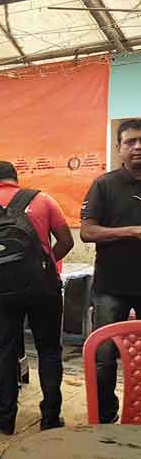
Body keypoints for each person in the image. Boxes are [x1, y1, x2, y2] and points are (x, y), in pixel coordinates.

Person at [0, 161, 73, 434]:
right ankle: (50, 417)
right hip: (44, 290)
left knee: (5, 352)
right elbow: (66, 241)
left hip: (2, 294)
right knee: (49, 351)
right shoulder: (43, 199)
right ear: (16, 177)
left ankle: (6, 418)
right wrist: (44, 266)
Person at [80, 118, 141, 424]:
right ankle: (104, 418)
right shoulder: (104, 185)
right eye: (130, 141)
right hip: (110, 287)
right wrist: (132, 232)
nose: (138, 146)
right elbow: (87, 232)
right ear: (119, 148)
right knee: (104, 357)